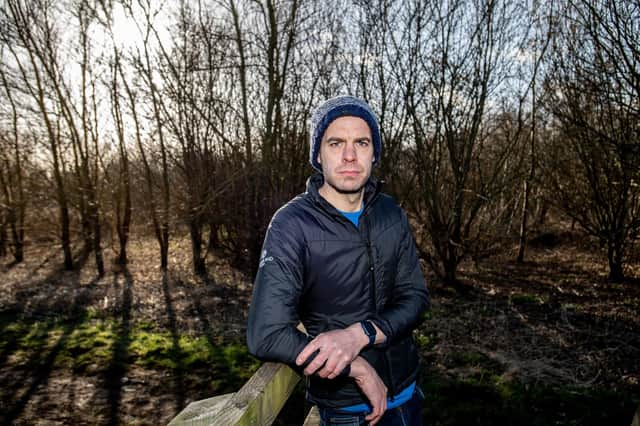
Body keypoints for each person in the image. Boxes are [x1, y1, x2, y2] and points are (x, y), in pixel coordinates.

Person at [247, 95, 430, 426]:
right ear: (318, 154)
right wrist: (356, 368)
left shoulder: (391, 213)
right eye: (336, 143)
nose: (349, 155)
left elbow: (415, 297)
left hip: (408, 395)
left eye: (361, 142)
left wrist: (359, 334)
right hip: (346, 412)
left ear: (374, 153)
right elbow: (266, 334)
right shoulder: (292, 225)